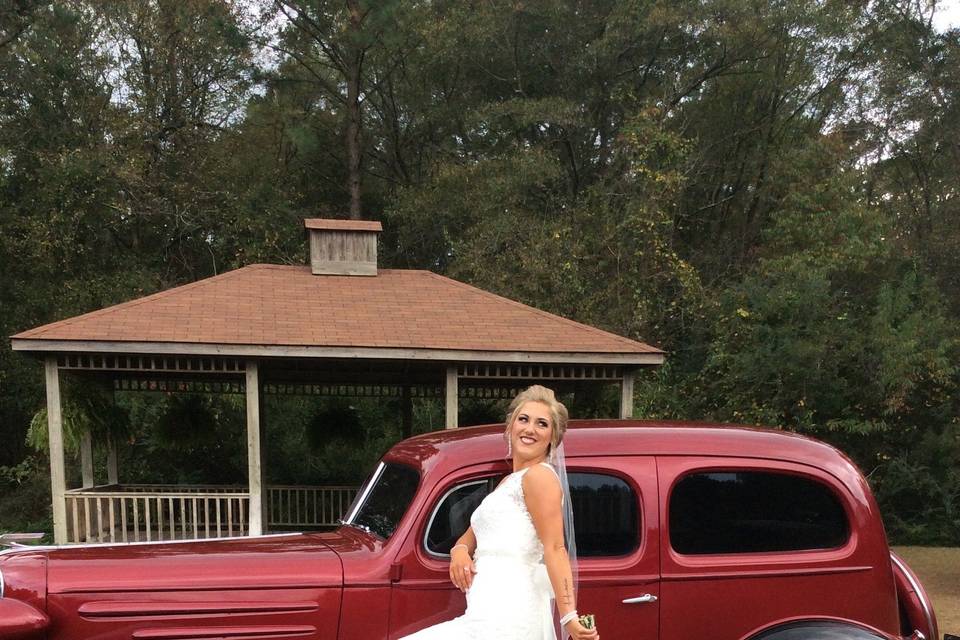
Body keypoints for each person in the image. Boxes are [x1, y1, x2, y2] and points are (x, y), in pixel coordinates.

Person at [399, 385, 600, 640]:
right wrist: (459, 551)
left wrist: (569, 615)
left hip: (510, 614)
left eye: (542, 424)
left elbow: (555, 548)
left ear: (552, 437)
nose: (530, 429)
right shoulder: (509, 483)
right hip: (483, 613)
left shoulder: (540, 477)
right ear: (510, 427)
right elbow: (470, 536)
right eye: (523, 419)